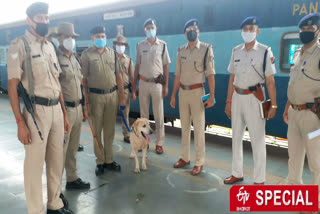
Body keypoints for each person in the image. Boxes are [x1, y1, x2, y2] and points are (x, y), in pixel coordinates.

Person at [6, 2, 73, 214]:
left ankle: (55, 203)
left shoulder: (50, 46)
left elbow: (57, 83)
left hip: (55, 110)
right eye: (40, 18)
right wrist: (20, 122)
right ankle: (36, 210)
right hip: (36, 112)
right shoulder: (20, 45)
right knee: (34, 166)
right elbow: (12, 86)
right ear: (30, 20)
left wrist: (63, 114)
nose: (44, 21)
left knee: (56, 160)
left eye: (46, 18)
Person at [223, 16, 277, 185]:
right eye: (245, 29)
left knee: (258, 140)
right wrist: (228, 102)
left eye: (251, 29)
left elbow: (270, 81)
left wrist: (273, 104)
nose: (248, 32)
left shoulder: (265, 51)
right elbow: (232, 77)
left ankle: (259, 180)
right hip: (237, 97)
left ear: (257, 31)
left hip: (255, 99)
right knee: (236, 137)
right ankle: (236, 173)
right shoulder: (236, 51)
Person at [283, 13, 320, 213]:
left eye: (310, 29)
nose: (306, 32)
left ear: (318, 30)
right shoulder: (297, 53)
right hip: (295, 114)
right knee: (294, 157)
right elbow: (294, 82)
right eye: (303, 29)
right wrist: (287, 106)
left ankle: (313, 203)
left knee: (316, 161)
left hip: (313, 117)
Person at [170, 19, 215, 176]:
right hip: (183, 92)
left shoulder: (205, 49)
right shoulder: (180, 51)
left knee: (198, 129)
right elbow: (177, 75)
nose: (191, 32)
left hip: (197, 93)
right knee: (184, 128)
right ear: (184, 33)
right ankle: (185, 157)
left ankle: (199, 162)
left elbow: (211, 75)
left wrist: (212, 96)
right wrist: (173, 95)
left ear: (198, 32)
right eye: (188, 29)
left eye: (194, 29)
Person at [81, 26, 125, 176]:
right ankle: (100, 161)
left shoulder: (112, 54)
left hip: (112, 96)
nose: (101, 38)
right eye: (98, 36)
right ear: (93, 38)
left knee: (110, 130)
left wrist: (122, 96)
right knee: (97, 130)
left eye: (103, 36)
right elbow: (83, 80)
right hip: (95, 97)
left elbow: (118, 76)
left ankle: (109, 160)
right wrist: (85, 101)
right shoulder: (86, 55)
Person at [56, 22, 90, 190]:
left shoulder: (75, 58)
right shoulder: (55, 58)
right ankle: (56, 191)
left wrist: (84, 107)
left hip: (77, 108)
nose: (70, 40)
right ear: (59, 38)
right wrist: (62, 114)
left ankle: (72, 178)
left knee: (73, 147)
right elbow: (56, 88)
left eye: (72, 37)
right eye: (67, 37)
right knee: (60, 150)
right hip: (66, 110)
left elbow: (81, 83)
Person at [132, 18, 171, 154]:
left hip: (157, 84)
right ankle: (144, 141)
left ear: (156, 29)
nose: (150, 30)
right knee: (143, 116)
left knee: (159, 115)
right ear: (145, 30)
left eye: (152, 28)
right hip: (143, 83)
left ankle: (159, 143)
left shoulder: (163, 45)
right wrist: (134, 86)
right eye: (148, 28)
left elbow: (166, 67)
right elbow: (136, 66)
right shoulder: (140, 45)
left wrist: (165, 86)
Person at [113, 35, 134, 143]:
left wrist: (134, 92)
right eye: (118, 44)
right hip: (112, 91)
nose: (120, 46)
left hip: (125, 91)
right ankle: (109, 135)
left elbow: (132, 76)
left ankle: (126, 135)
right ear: (115, 45)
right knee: (110, 114)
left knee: (125, 114)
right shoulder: (111, 59)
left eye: (122, 45)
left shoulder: (129, 60)